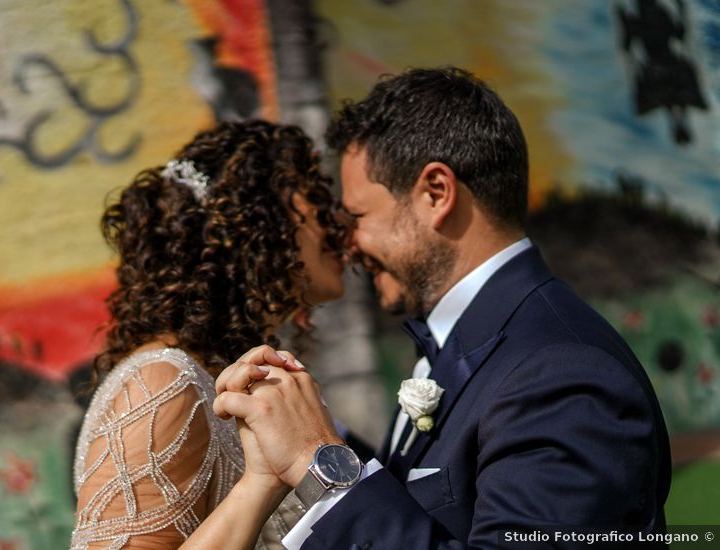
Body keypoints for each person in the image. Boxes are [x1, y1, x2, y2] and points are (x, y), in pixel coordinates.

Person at [214, 67, 671, 549]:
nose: (350, 245)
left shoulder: (562, 375)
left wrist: (321, 462)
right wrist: (314, 424)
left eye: (359, 217)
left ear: (436, 193)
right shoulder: (481, 341)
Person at [70, 119, 349, 549]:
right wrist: (260, 483)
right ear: (256, 220)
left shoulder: (229, 374)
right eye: (314, 195)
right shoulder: (164, 384)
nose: (338, 218)